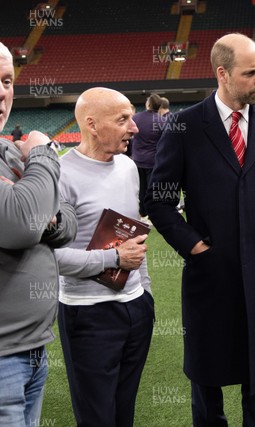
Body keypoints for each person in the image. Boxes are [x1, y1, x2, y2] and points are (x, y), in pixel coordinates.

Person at [145, 33, 255, 427]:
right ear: (222, 74)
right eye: (251, 72)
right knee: (206, 387)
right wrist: (194, 247)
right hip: (209, 279)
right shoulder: (184, 125)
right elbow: (159, 200)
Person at [55, 87, 154, 427]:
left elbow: (135, 238)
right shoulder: (60, 175)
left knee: (124, 413)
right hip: (88, 316)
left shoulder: (128, 167)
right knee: (97, 418)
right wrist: (113, 260)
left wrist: (146, 294)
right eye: (123, 119)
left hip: (137, 308)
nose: (135, 127)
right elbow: (50, 258)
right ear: (92, 125)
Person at [0, 42, 77, 427]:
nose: (2, 91)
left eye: (7, 80)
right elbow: (22, 224)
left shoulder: (7, 152)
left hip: (31, 351)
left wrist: (42, 212)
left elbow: (68, 220)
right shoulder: (25, 151)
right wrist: (45, 153)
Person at [131, 93, 164, 224]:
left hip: (138, 160)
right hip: (153, 161)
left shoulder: (136, 118)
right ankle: (152, 215)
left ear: (148, 104)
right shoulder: (162, 120)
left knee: (141, 189)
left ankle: (143, 214)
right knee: (152, 190)